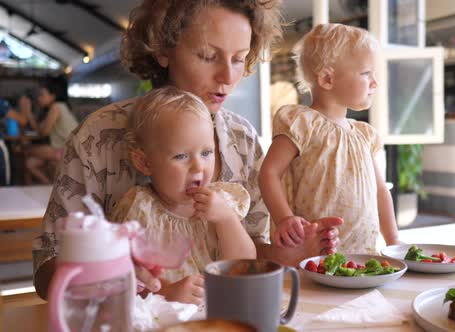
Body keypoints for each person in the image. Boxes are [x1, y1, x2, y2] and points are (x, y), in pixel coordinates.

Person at [33, 0, 342, 300]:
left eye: (238, 59)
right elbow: (46, 272)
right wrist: (103, 271)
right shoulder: (100, 136)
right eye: (209, 56)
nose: (228, 77)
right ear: (163, 49)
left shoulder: (241, 139)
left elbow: (243, 254)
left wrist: (288, 254)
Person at [259, 23, 399, 254]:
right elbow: (269, 173)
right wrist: (284, 218)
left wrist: (394, 241)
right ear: (327, 79)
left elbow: (380, 191)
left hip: (362, 255)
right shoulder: (302, 123)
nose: (375, 82)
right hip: (313, 254)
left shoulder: (363, 135)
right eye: (366, 74)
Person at [111, 87, 255, 304]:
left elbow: (245, 265)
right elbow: (121, 281)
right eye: (181, 156)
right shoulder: (140, 209)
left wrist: (227, 219)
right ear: (145, 162)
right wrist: (166, 293)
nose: (198, 166)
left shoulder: (221, 201)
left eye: (206, 153)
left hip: (220, 312)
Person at [24, 84, 79, 184]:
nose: (39, 98)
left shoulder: (56, 107)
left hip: (67, 150)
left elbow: (43, 133)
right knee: (30, 163)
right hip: (62, 148)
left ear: (52, 96)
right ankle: (50, 186)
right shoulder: (57, 107)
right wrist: (30, 115)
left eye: (42, 95)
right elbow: (40, 130)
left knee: (26, 150)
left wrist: (28, 114)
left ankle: (51, 186)